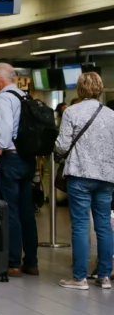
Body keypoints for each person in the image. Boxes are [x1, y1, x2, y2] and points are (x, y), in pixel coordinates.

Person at [54, 72, 114, 290]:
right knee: (104, 224)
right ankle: (104, 276)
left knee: (80, 225)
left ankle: (79, 278)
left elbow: (61, 145)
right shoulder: (111, 115)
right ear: (100, 89)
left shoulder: (71, 112)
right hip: (106, 177)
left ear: (79, 89)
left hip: (80, 175)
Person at [0, 63, 39, 278]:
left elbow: (5, 130)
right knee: (27, 211)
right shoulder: (24, 97)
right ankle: (32, 262)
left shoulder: (4, 98)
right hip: (27, 160)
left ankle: (13, 262)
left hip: (11, 159)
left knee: (11, 211)